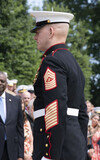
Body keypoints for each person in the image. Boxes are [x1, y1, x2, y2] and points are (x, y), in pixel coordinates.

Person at [30, 11, 89, 160]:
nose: (35, 37)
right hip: (72, 143)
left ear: (51, 31)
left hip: (57, 148)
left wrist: (50, 153)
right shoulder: (72, 61)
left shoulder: (52, 61)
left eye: (38, 32)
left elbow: (54, 108)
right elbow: (82, 112)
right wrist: (81, 144)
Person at [0, 71, 24, 160]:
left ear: (6, 83)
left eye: (2, 81)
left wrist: (20, 155)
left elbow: (20, 129)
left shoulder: (15, 101)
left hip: (11, 151)